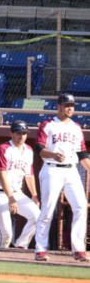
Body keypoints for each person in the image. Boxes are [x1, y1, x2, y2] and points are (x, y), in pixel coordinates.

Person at [33, 93, 90, 262]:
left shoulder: (76, 127)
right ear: (58, 107)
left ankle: (78, 249)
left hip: (72, 171)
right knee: (47, 210)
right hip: (52, 169)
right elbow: (38, 149)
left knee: (80, 207)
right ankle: (40, 249)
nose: (70, 108)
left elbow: (82, 154)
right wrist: (52, 154)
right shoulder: (48, 125)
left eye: (72, 105)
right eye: (66, 105)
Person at [0, 120, 40, 250]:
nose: (21, 136)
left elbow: (29, 174)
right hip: (0, 193)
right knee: (6, 234)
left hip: (17, 192)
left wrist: (34, 195)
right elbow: (1, 176)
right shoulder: (4, 149)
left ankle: (21, 246)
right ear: (11, 133)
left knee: (37, 216)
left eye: (24, 133)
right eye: (18, 133)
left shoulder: (28, 150)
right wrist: (10, 198)